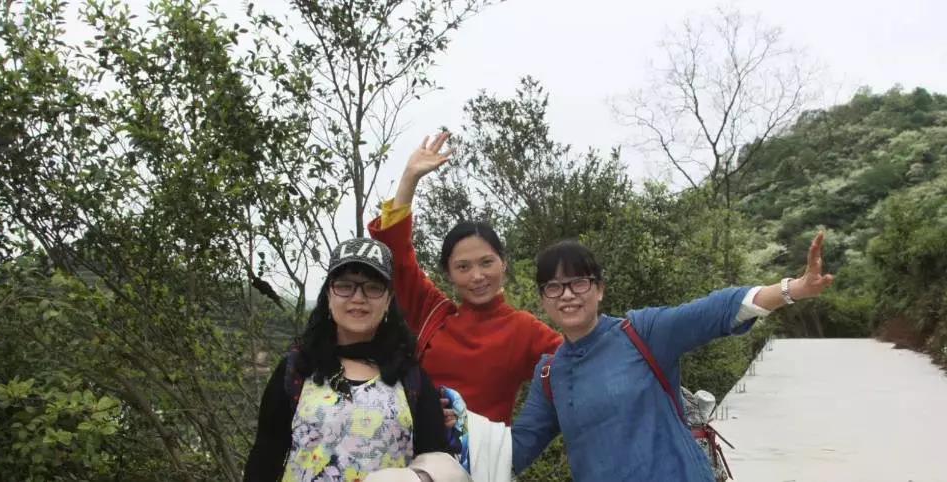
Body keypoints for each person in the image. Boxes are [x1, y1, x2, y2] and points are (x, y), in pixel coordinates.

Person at [511, 234, 835, 481]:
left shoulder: (640, 333)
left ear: (599, 289)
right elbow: (518, 448)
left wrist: (794, 289)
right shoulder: (550, 373)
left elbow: (716, 310)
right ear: (542, 299)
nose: (567, 295)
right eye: (554, 287)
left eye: (579, 283)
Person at [368, 132, 562, 425]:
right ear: (448, 273)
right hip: (419, 445)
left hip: (483, 454)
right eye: (463, 267)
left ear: (503, 263)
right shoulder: (434, 313)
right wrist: (409, 178)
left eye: (486, 262)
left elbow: (577, 365)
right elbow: (397, 255)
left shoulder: (524, 329)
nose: (477, 276)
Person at [243, 238, 462, 481]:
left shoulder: (410, 377)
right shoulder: (297, 369)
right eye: (345, 286)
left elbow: (436, 462)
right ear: (329, 294)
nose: (358, 297)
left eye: (373, 287)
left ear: (388, 300)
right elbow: (265, 457)